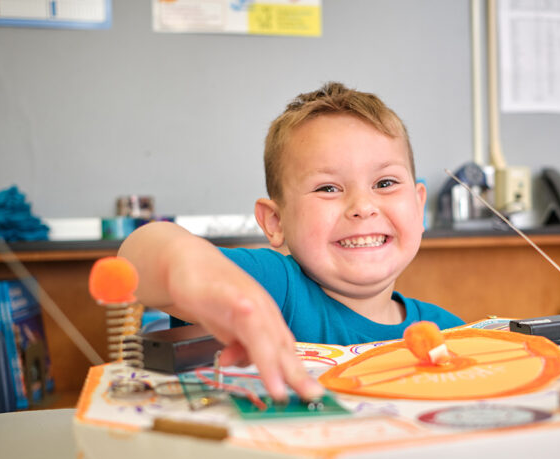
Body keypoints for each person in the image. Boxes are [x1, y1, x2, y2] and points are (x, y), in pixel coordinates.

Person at [119, 82, 463, 401]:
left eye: (386, 183)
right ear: (275, 221)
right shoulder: (272, 288)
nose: (363, 207)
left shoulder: (453, 332)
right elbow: (134, 261)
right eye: (328, 188)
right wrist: (189, 267)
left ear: (419, 207)